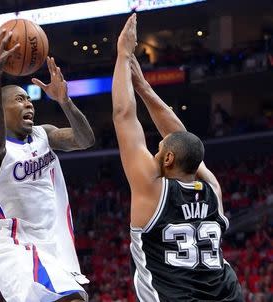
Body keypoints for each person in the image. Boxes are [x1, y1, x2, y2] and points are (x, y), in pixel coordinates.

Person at [112, 14, 243, 301]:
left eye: (159, 149)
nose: (155, 152)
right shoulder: (212, 190)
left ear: (168, 159)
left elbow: (124, 117)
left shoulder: (153, 191)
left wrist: (123, 56)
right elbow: (185, 141)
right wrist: (144, 87)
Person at [0, 29, 95, 301]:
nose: (29, 104)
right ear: (0, 109)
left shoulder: (43, 134)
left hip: (55, 245)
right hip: (18, 248)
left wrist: (65, 101)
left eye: (28, 99)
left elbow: (84, 140)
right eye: (19, 99)